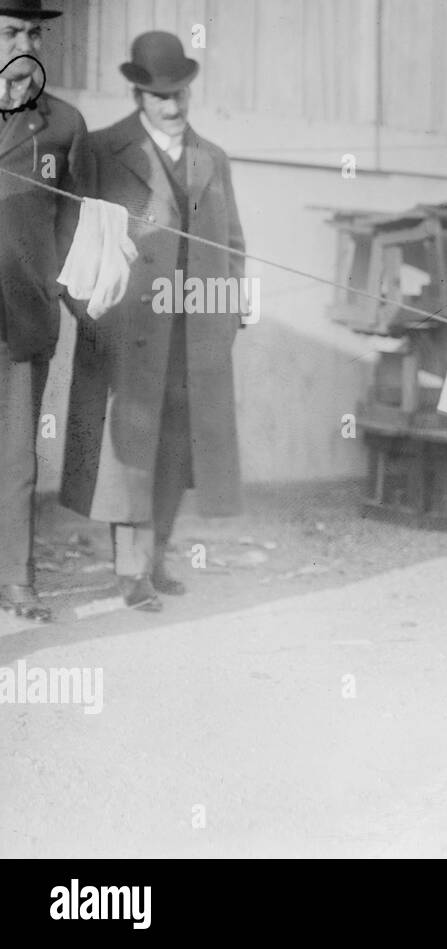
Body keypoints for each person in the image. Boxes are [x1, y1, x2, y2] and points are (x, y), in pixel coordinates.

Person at [61, 31, 246, 612]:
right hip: (127, 334)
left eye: (181, 94)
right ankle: (129, 573)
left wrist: (230, 313)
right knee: (127, 458)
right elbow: (72, 243)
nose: (173, 106)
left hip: (194, 335)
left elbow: (234, 243)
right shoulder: (100, 150)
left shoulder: (212, 157)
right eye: (159, 95)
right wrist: (90, 314)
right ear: (137, 94)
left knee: (176, 453)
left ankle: (158, 556)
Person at [0, 0, 92, 623]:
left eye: (34, 32)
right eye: (10, 30)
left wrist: (68, 294)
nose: (26, 42)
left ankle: (15, 579)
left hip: (23, 315)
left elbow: (74, 221)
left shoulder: (62, 124)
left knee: (14, 458)